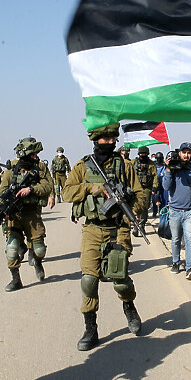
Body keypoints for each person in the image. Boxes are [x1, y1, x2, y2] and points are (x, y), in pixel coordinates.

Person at [62, 123, 148, 351]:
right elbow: (67, 192)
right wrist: (92, 188)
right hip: (92, 228)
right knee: (89, 280)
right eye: (106, 138)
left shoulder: (125, 165)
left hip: (118, 227)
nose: (111, 142)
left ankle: (129, 306)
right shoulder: (83, 166)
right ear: (96, 140)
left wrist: (135, 212)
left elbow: (140, 193)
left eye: (113, 138)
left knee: (119, 280)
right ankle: (91, 327)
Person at [0, 136, 54, 291]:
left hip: (32, 214)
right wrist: (3, 211)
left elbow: (48, 185)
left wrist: (31, 189)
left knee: (39, 250)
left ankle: (37, 261)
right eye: (33, 155)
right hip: (14, 215)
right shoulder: (12, 169)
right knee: (12, 248)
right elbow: (0, 192)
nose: (36, 157)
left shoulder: (40, 167)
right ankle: (16, 279)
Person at [163, 142, 191, 280]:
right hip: (175, 210)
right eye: (184, 152)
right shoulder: (173, 168)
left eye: (189, 152)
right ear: (179, 153)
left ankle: (189, 267)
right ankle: (175, 262)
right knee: (176, 239)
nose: (186, 155)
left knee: (190, 239)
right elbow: (166, 187)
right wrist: (168, 170)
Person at [132, 146, 159, 233]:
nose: (142, 155)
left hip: (146, 188)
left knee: (144, 207)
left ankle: (142, 224)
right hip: (135, 188)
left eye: (144, 154)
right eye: (141, 154)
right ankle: (136, 224)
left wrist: (155, 186)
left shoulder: (151, 164)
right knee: (136, 206)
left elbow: (155, 176)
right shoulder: (133, 163)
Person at [153, 151, 167, 218]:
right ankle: (154, 213)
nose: (159, 160)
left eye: (160, 158)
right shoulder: (154, 165)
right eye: (157, 158)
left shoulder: (164, 166)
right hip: (157, 187)